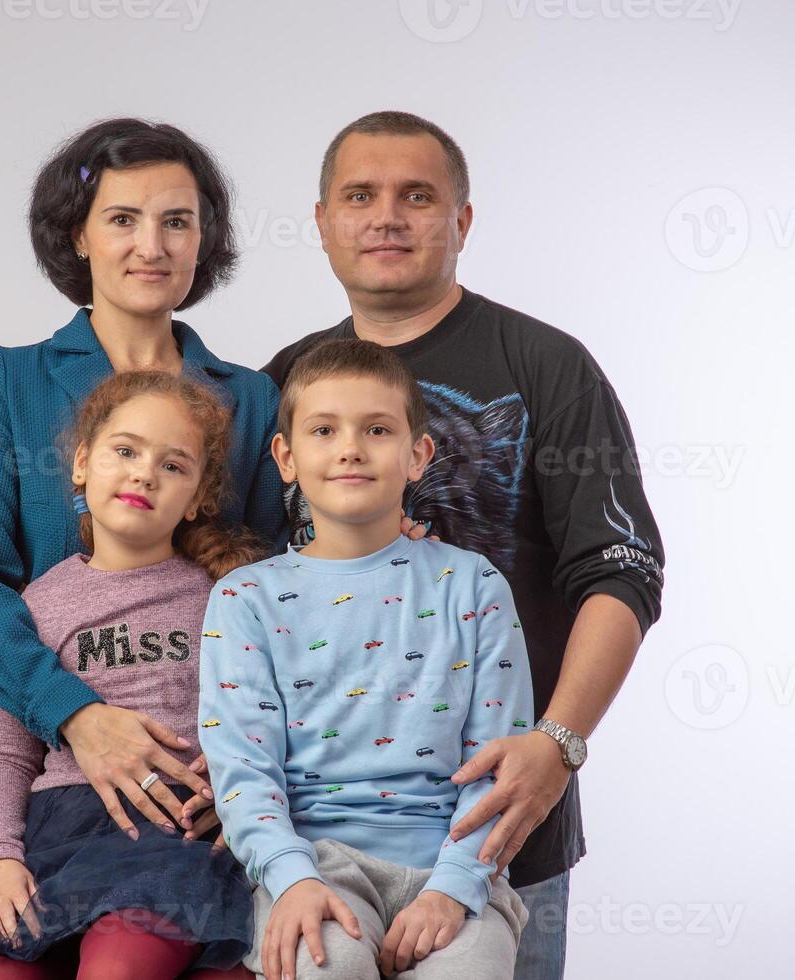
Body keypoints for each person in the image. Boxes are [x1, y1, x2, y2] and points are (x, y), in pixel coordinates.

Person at [260, 111, 667, 980]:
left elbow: (622, 572)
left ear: (462, 222)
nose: (387, 217)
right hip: (319, 848)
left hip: (504, 823)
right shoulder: (281, 383)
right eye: (359, 196)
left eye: (417, 195)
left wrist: (556, 743)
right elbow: (235, 594)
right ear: (323, 221)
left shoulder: (545, 365)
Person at [0, 117, 290, 916]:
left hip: (191, 786)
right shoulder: (11, 384)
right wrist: (73, 715)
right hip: (17, 756)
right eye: (122, 219)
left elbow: (268, 605)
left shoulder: (253, 400)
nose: (150, 245)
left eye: (176, 222)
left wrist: (245, 775)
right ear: (78, 237)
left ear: (203, 242)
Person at [0, 371, 266, 980]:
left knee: (118, 966)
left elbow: (263, 721)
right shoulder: (41, 603)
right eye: (126, 451)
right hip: (54, 845)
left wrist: (238, 795)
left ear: (199, 497)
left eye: (173, 466)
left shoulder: (224, 599)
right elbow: (7, 756)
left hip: (169, 848)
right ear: (82, 464)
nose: (145, 473)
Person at [195, 338, 535, 980]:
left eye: (376, 429)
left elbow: (501, 759)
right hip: (312, 866)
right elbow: (242, 768)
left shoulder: (474, 586)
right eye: (325, 430)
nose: (350, 447)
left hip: (453, 867)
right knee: (327, 969)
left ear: (417, 455)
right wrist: (289, 877)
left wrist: (455, 886)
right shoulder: (245, 598)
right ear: (286, 458)